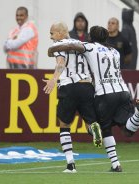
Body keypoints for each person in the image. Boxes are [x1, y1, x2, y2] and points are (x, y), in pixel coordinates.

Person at [48, 26, 139, 172]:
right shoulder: (114, 51)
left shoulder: (89, 47)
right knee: (127, 130)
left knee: (103, 128)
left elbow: (70, 46)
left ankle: (76, 164)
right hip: (122, 91)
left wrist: (52, 49)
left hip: (103, 93)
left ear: (92, 37)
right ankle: (138, 113)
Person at [43, 22, 102, 173]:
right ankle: (93, 129)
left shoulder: (59, 45)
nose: (51, 37)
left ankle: (71, 164)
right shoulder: (82, 44)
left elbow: (61, 64)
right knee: (89, 121)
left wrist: (54, 79)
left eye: (52, 33)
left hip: (69, 86)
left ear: (61, 33)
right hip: (86, 85)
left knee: (64, 125)